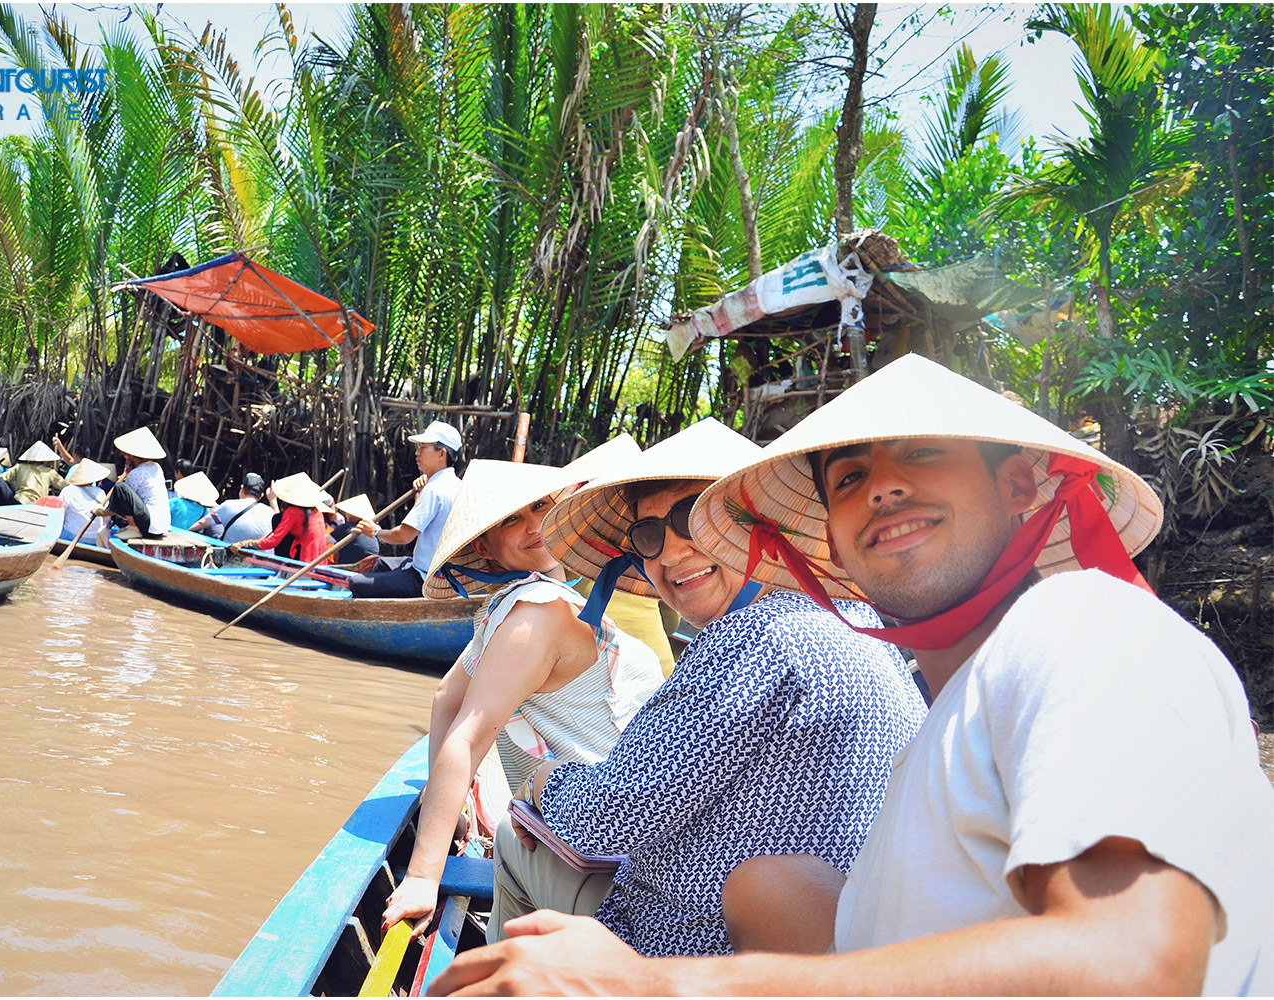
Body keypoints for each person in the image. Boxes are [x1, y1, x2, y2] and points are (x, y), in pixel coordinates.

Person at [432, 354, 1273, 996]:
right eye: (851, 478)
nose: (884, 489)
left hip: (677, 955)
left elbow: (1136, 964)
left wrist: (659, 983)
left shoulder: (1085, 627)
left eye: (923, 454)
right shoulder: (944, 706)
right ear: (822, 540)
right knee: (773, 881)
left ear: (1021, 484)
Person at [455, 417, 924, 958]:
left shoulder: (753, 638)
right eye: (650, 537)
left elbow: (607, 818)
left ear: (758, 527)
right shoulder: (855, 617)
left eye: (693, 520)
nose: (672, 555)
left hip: (694, 944)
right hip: (826, 934)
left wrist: (546, 781)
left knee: (516, 836)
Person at [380, 459, 665, 939]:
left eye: (540, 508)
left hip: (613, 843)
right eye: (511, 519)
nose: (533, 525)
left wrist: (446, 802)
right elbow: (464, 730)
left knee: (515, 830)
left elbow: (446, 698)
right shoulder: (533, 612)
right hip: (612, 857)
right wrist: (424, 873)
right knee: (512, 831)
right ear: (482, 548)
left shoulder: (520, 607)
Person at [559, 433, 677, 676]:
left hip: (600, 675)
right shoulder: (657, 544)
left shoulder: (569, 547)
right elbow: (673, 621)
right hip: (660, 669)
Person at [349, 420, 462, 598]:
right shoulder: (454, 485)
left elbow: (404, 536)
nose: (417, 453)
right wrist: (420, 491)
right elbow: (420, 520)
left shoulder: (435, 489)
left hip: (424, 579)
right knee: (378, 565)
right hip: (432, 571)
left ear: (442, 453)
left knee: (356, 583)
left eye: (423, 447)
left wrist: (376, 532)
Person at [230, 472, 330, 562]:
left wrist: (246, 544)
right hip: (320, 560)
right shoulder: (317, 512)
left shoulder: (293, 512)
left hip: (304, 560)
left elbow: (273, 541)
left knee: (277, 519)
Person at [102, 426, 171, 541]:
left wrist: (104, 511)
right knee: (119, 516)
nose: (125, 458)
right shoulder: (156, 467)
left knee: (120, 487)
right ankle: (131, 526)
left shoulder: (137, 473)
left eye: (126, 455)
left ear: (132, 456)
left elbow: (125, 500)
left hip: (150, 525)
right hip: (160, 526)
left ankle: (133, 528)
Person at [192, 472, 276, 544]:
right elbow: (278, 525)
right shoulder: (269, 512)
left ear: (242, 489)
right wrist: (273, 500)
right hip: (257, 560)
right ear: (261, 496)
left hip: (229, 556)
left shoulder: (229, 505)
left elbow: (202, 523)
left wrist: (185, 532)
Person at [0, 440, 66, 504]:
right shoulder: (50, 472)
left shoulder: (20, 467)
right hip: (36, 504)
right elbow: (64, 485)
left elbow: (0, 479)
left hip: (18, 501)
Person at [57, 458, 113, 542]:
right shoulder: (100, 492)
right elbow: (106, 519)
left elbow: (60, 516)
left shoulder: (68, 490)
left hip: (70, 535)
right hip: (93, 538)